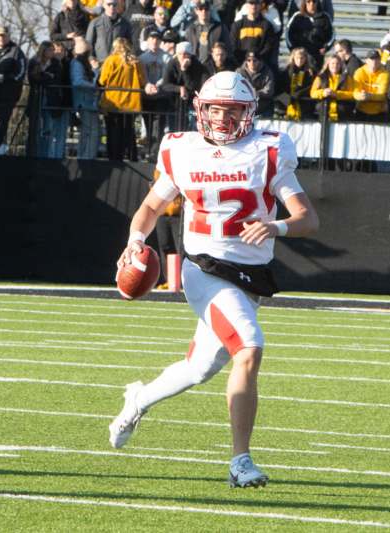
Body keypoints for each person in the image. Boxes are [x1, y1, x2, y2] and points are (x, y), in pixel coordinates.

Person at [109, 70, 320, 489]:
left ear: (249, 113)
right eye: (216, 109)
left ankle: (139, 399)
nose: (223, 118)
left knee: (199, 367)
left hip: (249, 274)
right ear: (201, 110)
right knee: (250, 348)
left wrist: (275, 227)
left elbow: (308, 219)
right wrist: (135, 240)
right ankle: (241, 461)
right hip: (204, 268)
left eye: (232, 110)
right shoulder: (182, 150)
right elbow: (151, 207)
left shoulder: (267, 150)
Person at [0, 26, 27, 155]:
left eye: (4, 35)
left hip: (7, 95)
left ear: (8, 36)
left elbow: (21, 72)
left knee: (2, 124)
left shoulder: (16, 51)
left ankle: (0, 153)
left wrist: (6, 79)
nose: (1, 38)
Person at [99, 37, 145, 160]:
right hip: (131, 103)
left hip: (112, 103)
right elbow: (142, 81)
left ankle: (114, 159)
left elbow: (102, 80)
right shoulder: (136, 62)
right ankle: (132, 158)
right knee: (129, 132)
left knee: (112, 132)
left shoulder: (110, 60)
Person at [140, 30, 172, 159]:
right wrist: (147, 84)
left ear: (160, 41)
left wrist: (156, 85)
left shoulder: (166, 57)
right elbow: (142, 75)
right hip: (146, 95)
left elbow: (166, 76)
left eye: (157, 39)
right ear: (147, 41)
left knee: (158, 125)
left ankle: (155, 152)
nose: (154, 41)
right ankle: (148, 150)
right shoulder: (142, 57)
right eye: (152, 39)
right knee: (148, 124)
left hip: (161, 95)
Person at [71, 38, 102, 159]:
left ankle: (84, 157)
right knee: (92, 132)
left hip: (87, 101)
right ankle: (87, 158)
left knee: (87, 132)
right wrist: (94, 86)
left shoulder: (80, 63)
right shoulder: (78, 63)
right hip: (85, 102)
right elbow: (78, 81)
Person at [285, 0, 334, 69]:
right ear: (304, 3)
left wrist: (326, 47)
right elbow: (288, 34)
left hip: (317, 56)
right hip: (299, 56)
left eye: (314, 2)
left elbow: (331, 35)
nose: (312, 4)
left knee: (315, 78)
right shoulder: (297, 17)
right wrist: (293, 49)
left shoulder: (325, 17)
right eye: (308, 1)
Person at [230, 0, 278, 65]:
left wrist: (256, 59)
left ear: (260, 5)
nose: (253, 6)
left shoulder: (267, 25)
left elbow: (268, 47)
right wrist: (244, 60)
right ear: (246, 5)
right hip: (240, 63)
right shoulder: (237, 25)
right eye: (251, 3)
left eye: (256, 3)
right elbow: (233, 45)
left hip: (260, 63)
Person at [310, 53, 354, 123]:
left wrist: (337, 94)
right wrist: (323, 92)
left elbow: (352, 94)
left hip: (342, 110)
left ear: (341, 65)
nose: (335, 66)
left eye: (337, 63)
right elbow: (312, 93)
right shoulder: (320, 77)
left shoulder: (347, 78)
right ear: (328, 64)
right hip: (324, 109)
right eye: (332, 63)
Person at [185, 0, 232, 65]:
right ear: (196, 11)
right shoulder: (190, 29)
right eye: (201, 9)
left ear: (210, 10)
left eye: (206, 9)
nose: (204, 11)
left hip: (215, 66)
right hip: (196, 66)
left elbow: (228, 48)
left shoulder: (220, 27)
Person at [277, 46, 316, 120]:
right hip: (287, 101)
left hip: (303, 100)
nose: (299, 60)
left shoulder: (310, 72)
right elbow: (280, 87)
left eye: (302, 58)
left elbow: (310, 87)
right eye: (297, 58)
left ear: (305, 59)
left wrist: (298, 94)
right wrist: (288, 98)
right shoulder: (285, 71)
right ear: (293, 58)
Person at [353, 49, 390, 123]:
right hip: (361, 111)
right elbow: (355, 92)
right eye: (372, 59)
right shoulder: (359, 72)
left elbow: (382, 95)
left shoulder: (385, 74)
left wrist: (369, 96)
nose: (374, 61)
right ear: (367, 60)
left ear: (380, 60)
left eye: (377, 59)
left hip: (379, 112)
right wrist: (360, 96)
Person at [237, 51, 275, 117]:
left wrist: (256, 93)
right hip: (244, 107)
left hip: (263, 108)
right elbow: (236, 89)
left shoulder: (267, 72)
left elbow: (269, 91)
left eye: (254, 60)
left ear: (259, 61)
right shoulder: (239, 72)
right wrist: (249, 93)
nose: (252, 63)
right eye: (249, 60)